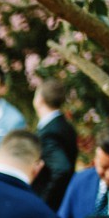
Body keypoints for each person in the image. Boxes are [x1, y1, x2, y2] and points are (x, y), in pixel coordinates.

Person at [29, 79, 77, 211]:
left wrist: (44, 201)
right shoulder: (65, 125)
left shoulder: (49, 132)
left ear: (40, 99)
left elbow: (62, 169)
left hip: (51, 205)